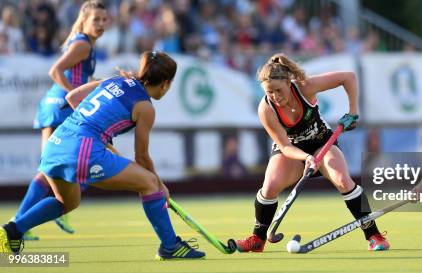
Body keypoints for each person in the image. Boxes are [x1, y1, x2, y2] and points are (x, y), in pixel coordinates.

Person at [1, 51, 205, 260]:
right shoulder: (145, 108)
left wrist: (96, 132)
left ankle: (13, 230)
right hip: (84, 150)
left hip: (56, 143)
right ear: (165, 84)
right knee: (150, 183)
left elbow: (72, 97)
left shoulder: (115, 80)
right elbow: (142, 157)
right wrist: (160, 184)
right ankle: (171, 246)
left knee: (67, 202)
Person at [234, 53, 390, 252]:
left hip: (322, 143)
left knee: (343, 180)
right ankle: (257, 239)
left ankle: (374, 236)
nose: (275, 96)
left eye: (278, 90)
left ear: (289, 83)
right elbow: (284, 146)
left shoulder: (305, 87)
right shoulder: (265, 109)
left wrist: (353, 111)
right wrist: (306, 157)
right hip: (292, 151)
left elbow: (348, 77)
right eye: (269, 92)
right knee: (270, 186)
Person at [11, 0, 107, 240]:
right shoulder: (83, 44)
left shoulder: (84, 44)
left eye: (105, 20)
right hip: (60, 106)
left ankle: (20, 223)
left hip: (54, 105)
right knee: (50, 170)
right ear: (84, 21)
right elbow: (55, 71)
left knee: (47, 170)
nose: (102, 24)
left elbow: (79, 75)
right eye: (96, 20)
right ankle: (22, 222)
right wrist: (75, 96)